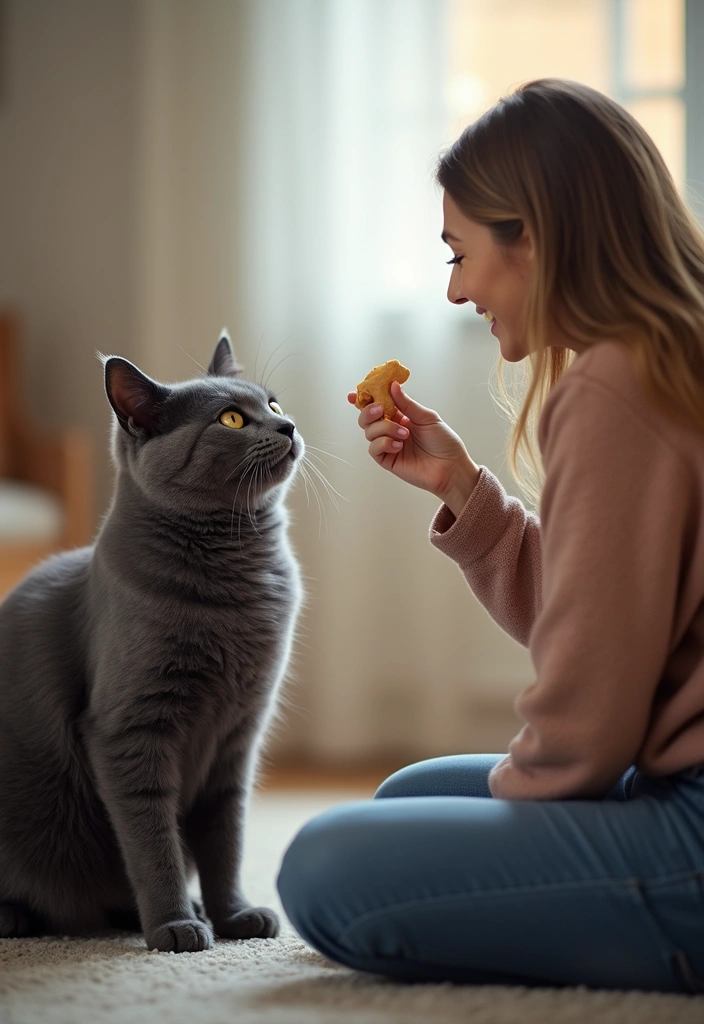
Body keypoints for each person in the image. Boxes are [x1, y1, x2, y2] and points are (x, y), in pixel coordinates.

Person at [276, 78, 704, 994]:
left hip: (695, 825)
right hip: (679, 777)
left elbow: (588, 725)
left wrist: (529, 803)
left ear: (536, 238)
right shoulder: (666, 351)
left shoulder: (614, 385)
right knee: (406, 799)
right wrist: (463, 490)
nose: (459, 290)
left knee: (325, 867)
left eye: (461, 255)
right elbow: (622, 614)